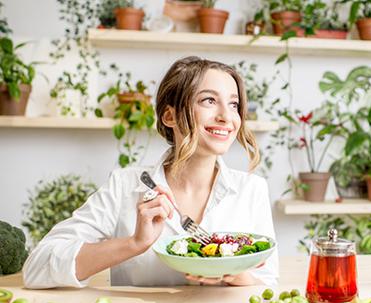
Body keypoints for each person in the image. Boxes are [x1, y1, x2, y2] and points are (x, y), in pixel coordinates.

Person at [23, 56, 279, 288]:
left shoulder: (251, 189)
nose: (227, 116)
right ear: (170, 116)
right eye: (209, 101)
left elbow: (267, 283)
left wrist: (237, 274)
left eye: (234, 105)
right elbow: (37, 267)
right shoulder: (123, 186)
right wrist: (134, 243)